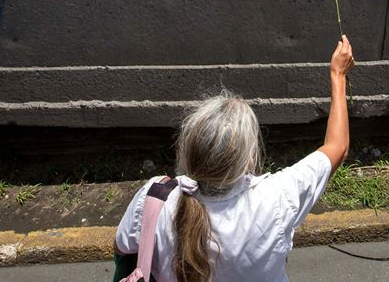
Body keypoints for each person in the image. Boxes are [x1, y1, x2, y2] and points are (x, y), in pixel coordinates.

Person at [114, 36, 355, 282]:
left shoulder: (155, 198)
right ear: (249, 160)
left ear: (188, 151)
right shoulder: (277, 198)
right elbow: (338, 147)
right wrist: (338, 76)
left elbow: (124, 250)